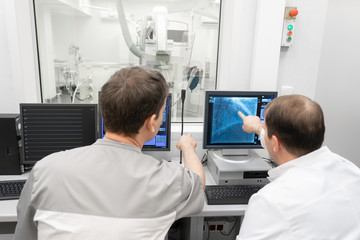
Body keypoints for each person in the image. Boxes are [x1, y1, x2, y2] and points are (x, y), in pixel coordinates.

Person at [14, 67, 205, 240]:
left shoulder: (44, 171)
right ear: (151, 122)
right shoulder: (168, 181)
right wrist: (188, 148)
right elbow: (198, 184)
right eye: (162, 113)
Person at [236, 94, 360, 239]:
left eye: (265, 130)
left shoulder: (270, 201)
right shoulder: (351, 171)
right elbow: (278, 142)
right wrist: (259, 128)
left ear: (276, 143)